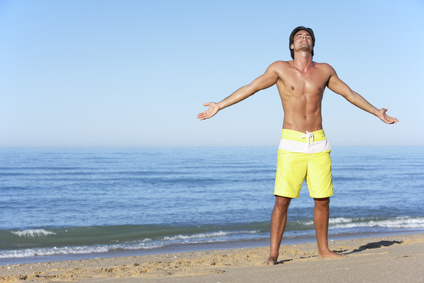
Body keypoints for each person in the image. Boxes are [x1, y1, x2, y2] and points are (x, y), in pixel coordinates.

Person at [197, 26, 399, 265]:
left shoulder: (325, 71)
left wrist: (377, 112)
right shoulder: (280, 69)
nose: (304, 38)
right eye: (299, 36)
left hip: (319, 142)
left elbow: (350, 94)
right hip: (291, 142)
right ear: (292, 45)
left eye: (308, 36)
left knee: (322, 199)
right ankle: (273, 255)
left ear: (312, 44)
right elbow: (251, 87)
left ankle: (323, 250)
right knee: (282, 200)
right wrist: (219, 105)